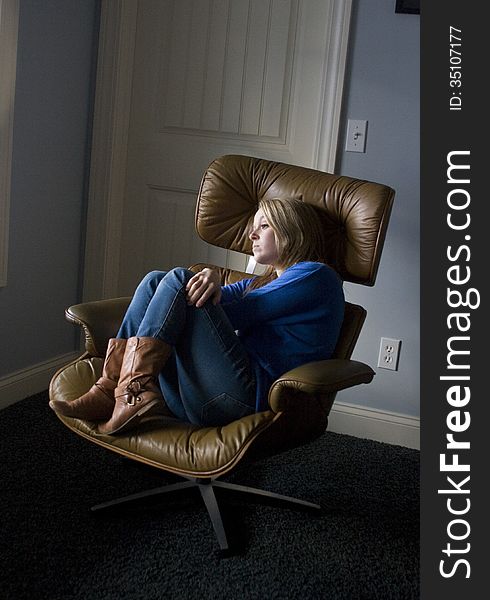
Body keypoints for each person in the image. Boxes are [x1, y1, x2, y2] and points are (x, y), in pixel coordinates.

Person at [49, 198, 345, 434]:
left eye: (264, 225)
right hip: (196, 395)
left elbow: (234, 314)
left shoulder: (315, 277)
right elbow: (213, 305)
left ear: (292, 230)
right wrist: (212, 277)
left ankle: (130, 390)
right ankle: (114, 386)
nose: (252, 234)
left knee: (178, 280)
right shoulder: (260, 282)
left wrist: (201, 282)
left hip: (243, 401)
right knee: (156, 280)